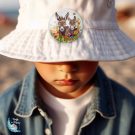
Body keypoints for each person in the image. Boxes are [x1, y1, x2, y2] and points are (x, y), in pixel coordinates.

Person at [0, 0, 135, 135]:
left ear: (99, 48)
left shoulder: (127, 110)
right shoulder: (5, 109)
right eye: (51, 52)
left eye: (83, 50)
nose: (66, 67)